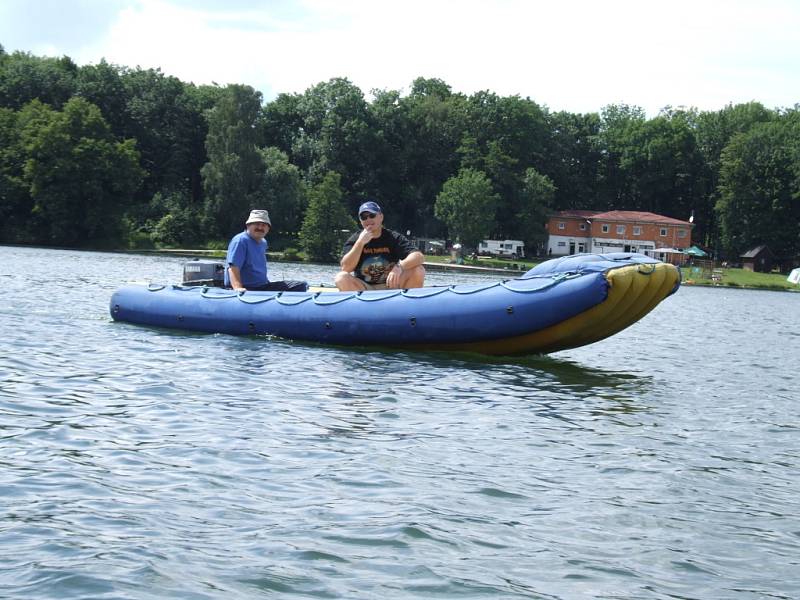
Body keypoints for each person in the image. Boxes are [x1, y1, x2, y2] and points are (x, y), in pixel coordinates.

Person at [334, 201, 425, 291]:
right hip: (364, 288)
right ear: (361, 221)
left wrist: (399, 267)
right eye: (364, 217)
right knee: (341, 278)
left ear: (381, 217)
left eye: (372, 215)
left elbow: (419, 257)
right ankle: (362, 305)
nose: (368, 220)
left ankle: (407, 304)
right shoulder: (355, 239)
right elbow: (345, 268)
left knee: (418, 270)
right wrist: (360, 243)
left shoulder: (393, 237)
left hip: (391, 285)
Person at [224, 209, 308, 292]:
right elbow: (233, 267)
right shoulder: (240, 241)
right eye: (257, 224)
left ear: (268, 228)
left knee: (301, 286)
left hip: (262, 286)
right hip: (247, 287)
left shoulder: (263, 242)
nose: (260, 227)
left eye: (264, 225)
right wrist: (238, 288)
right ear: (248, 225)